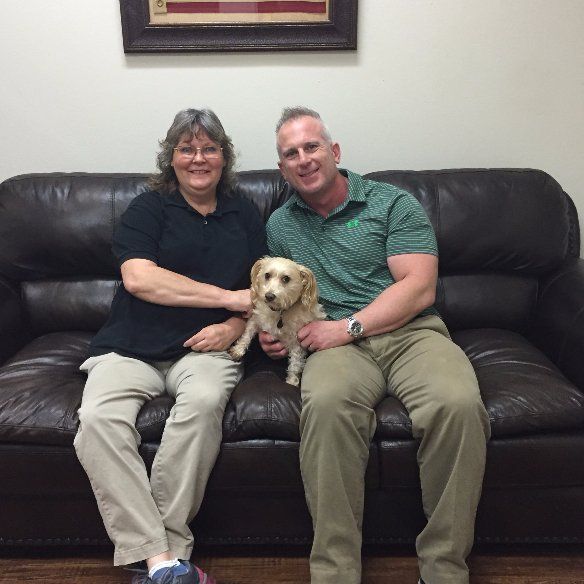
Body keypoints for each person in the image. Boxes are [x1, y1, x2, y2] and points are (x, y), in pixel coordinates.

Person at [260, 107, 491, 584]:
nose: (303, 159)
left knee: (459, 404)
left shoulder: (392, 203)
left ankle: (444, 569)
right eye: (291, 154)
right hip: (333, 350)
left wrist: (349, 327)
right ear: (282, 169)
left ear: (334, 151)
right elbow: (282, 299)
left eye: (312, 147)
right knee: (323, 407)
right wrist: (274, 334)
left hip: (411, 333)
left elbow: (418, 288)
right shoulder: (280, 226)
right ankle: (335, 572)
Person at [74, 108, 267, 584]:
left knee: (202, 405)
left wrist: (235, 324)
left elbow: (264, 287)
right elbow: (140, 279)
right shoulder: (148, 208)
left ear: (224, 157)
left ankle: (163, 560)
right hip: (130, 346)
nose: (198, 158)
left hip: (205, 349)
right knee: (97, 421)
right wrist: (228, 299)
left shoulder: (244, 211)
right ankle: (164, 560)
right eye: (187, 149)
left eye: (209, 148)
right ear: (171, 158)